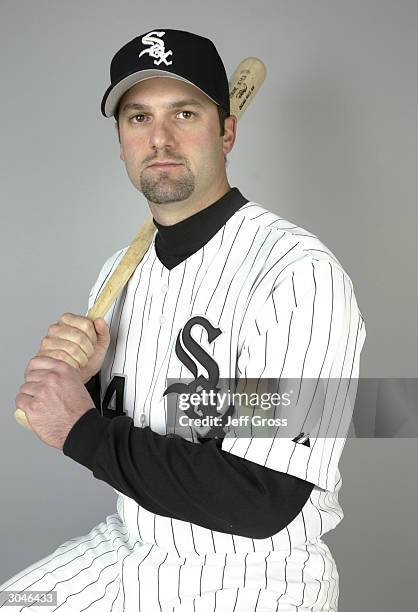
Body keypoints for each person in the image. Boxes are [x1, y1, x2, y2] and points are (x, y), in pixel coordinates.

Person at [2, 29, 366, 611]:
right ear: (120, 141)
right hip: (130, 546)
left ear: (227, 131)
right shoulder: (116, 276)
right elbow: (151, 419)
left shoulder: (298, 274)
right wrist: (87, 385)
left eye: (185, 113)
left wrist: (79, 428)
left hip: (252, 573)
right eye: (138, 117)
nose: (160, 139)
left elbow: (264, 497)